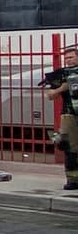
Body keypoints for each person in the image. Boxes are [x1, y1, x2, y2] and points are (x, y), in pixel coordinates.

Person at [44, 45, 78, 190]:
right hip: (69, 114)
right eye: (66, 58)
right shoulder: (60, 74)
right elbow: (50, 95)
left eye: (71, 57)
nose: (68, 60)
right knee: (69, 148)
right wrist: (62, 87)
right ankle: (73, 180)